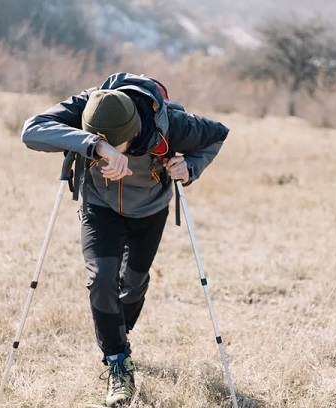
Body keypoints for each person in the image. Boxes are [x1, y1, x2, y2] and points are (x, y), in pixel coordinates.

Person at [21, 72, 229, 406]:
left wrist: (190, 166)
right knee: (102, 281)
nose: (105, 153)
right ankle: (118, 361)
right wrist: (96, 145)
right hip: (100, 206)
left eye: (111, 144)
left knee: (133, 284)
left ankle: (119, 334)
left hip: (150, 210)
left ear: (132, 136)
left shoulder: (174, 125)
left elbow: (218, 135)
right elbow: (31, 130)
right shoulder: (92, 106)